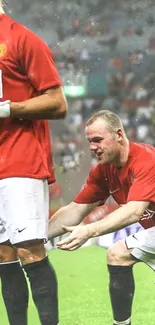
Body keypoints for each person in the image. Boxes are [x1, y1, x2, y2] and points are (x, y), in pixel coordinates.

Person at [48, 109, 155, 325]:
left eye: (97, 140)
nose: (92, 147)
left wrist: (89, 230)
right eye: (89, 141)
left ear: (118, 135)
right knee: (117, 255)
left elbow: (134, 210)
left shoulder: (146, 159)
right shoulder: (103, 172)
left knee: (117, 253)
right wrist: (35, 238)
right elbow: (75, 210)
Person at [0, 1, 68, 325]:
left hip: (20, 158)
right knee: (3, 254)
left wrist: (4, 109)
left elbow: (57, 102)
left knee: (29, 250)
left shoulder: (21, 38)